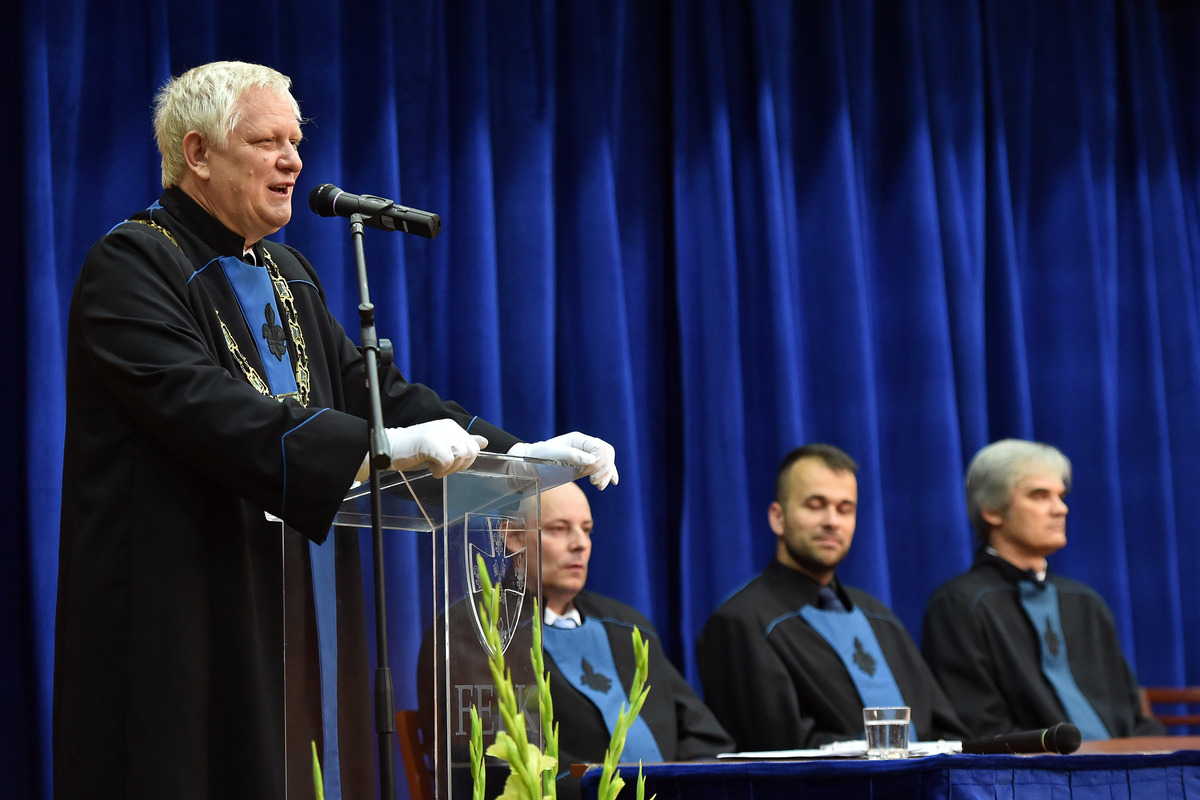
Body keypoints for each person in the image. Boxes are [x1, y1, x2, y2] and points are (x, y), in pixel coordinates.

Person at [53, 60, 618, 800]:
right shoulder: (132, 262)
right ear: (197, 154)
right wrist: (374, 447)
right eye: (267, 142)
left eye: (296, 142)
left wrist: (519, 455)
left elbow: (375, 393)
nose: (292, 160)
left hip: (294, 593)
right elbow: (199, 404)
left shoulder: (288, 272)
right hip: (182, 607)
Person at [695, 444, 968, 751]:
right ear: (778, 518)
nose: (832, 521)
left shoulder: (879, 617)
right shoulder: (740, 622)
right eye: (815, 505)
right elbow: (781, 751)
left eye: (845, 509)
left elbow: (947, 734)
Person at [921, 439, 1165, 740]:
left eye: (1061, 496)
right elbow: (982, 732)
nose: (1060, 509)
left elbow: (1133, 717)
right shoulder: (959, 605)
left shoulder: (1086, 602)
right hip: (1041, 769)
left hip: (1119, 766)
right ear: (992, 510)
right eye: (1039, 496)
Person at [531, 482, 733, 799]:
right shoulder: (482, 633)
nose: (580, 544)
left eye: (587, 530)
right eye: (559, 529)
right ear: (512, 536)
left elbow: (703, 737)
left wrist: (683, 786)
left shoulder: (627, 625)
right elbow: (506, 759)